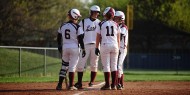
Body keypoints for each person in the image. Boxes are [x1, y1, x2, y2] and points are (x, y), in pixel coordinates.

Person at [56, 8, 85, 90]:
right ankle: (71, 85)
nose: (78, 18)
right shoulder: (77, 27)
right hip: (74, 48)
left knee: (64, 66)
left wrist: (59, 45)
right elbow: (80, 39)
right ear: (75, 16)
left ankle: (59, 85)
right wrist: (83, 49)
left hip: (65, 47)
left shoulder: (62, 25)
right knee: (72, 67)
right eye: (78, 16)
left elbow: (58, 37)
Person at [74, 5, 101, 89]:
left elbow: (100, 35)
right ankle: (79, 82)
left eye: (98, 12)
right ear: (91, 12)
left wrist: (98, 46)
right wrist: (79, 44)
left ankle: (92, 82)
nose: (96, 14)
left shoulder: (99, 22)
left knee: (94, 64)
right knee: (80, 64)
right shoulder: (83, 22)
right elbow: (78, 33)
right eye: (95, 12)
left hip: (95, 45)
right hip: (85, 45)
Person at [95, 7, 120, 90]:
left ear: (105, 14)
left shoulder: (101, 24)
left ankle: (107, 85)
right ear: (113, 15)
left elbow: (98, 36)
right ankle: (114, 85)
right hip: (115, 45)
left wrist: (96, 47)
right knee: (114, 66)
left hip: (105, 45)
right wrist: (118, 48)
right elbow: (118, 38)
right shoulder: (116, 24)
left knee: (106, 66)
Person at [114, 11, 128, 90]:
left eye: (117, 18)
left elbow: (121, 36)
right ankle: (120, 83)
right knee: (119, 66)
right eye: (115, 17)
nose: (115, 19)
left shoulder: (123, 27)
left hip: (122, 48)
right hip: (118, 48)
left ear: (122, 18)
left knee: (118, 65)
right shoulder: (116, 26)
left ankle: (118, 83)